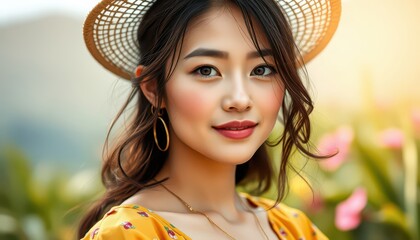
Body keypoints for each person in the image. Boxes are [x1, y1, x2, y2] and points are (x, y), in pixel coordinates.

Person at [79, 0, 341, 239]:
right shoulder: (128, 234)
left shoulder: (296, 229)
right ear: (153, 88)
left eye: (262, 69)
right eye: (207, 70)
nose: (240, 99)